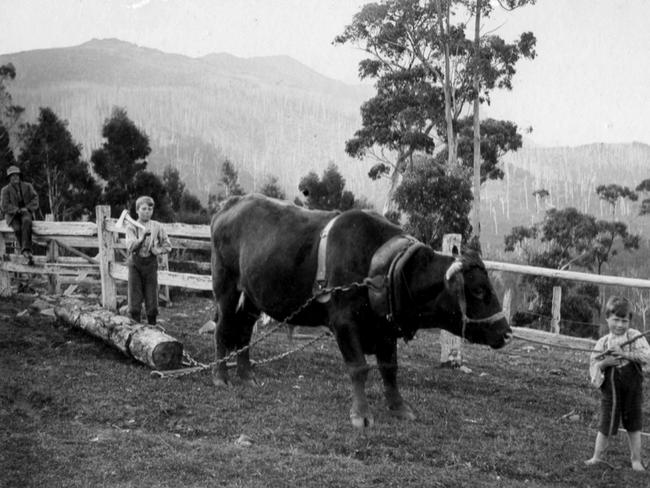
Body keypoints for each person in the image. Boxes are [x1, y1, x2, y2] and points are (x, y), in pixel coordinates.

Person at [585, 296, 650, 471]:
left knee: (634, 423)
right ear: (607, 319)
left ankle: (636, 460)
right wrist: (604, 364)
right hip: (610, 390)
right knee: (606, 423)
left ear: (629, 321)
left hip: (632, 389)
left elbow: (647, 357)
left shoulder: (634, 336)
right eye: (616, 320)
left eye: (624, 321)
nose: (620, 325)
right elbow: (594, 366)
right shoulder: (603, 342)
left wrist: (625, 354)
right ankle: (596, 457)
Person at [125, 196, 172, 325]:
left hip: (151, 264)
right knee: (135, 298)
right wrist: (142, 238)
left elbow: (168, 245)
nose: (147, 212)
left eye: (150, 209)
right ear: (137, 210)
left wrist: (158, 250)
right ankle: (135, 328)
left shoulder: (157, 226)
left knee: (152, 296)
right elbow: (130, 246)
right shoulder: (131, 226)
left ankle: (152, 327)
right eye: (144, 209)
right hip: (135, 264)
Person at [0, 165, 39, 265]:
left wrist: (28, 208)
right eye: (12, 176)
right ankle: (26, 252)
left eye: (16, 175)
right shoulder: (5, 190)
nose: (15, 177)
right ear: (9, 178)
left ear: (20, 176)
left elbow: (35, 199)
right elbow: (4, 206)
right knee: (17, 228)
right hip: (12, 215)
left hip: (25, 212)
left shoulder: (28, 186)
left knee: (27, 221)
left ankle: (26, 250)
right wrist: (16, 210)